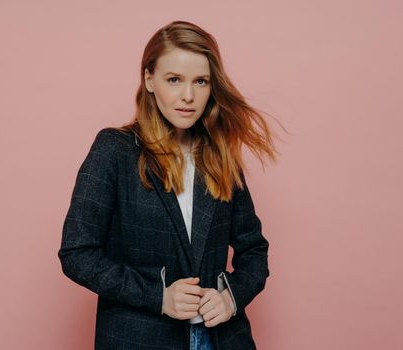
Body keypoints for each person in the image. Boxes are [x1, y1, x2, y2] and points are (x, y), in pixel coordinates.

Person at [58, 20, 280, 350]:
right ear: (149, 79)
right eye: (174, 80)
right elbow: (77, 253)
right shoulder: (115, 150)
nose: (188, 96)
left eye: (200, 81)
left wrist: (231, 298)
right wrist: (158, 297)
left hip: (219, 339)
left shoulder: (220, 156)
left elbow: (254, 250)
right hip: (140, 339)